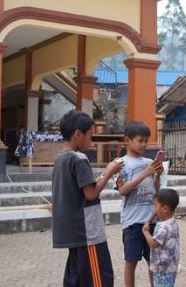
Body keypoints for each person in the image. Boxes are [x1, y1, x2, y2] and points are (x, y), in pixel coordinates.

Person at [52, 109, 124, 287]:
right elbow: (91, 194)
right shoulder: (79, 159)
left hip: (71, 230)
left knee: (76, 277)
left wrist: (103, 173)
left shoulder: (60, 158)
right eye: (89, 136)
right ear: (77, 134)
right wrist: (109, 173)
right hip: (86, 231)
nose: (91, 141)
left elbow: (86, 187)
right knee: (98, 278)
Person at [116, 121, 164, 287]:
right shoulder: (120, 164)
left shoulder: (148, 161)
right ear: (127, 140)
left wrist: (157, 175)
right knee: (131, 261)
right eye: (140, 140)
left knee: (153, 261)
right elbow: (122, 191)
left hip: (151, 220)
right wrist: (145, 173)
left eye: (146, 140)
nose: (144, 144)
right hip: (132, 222)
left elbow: (156, 190)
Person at [142, 188, 180, 287]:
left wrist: (146, 232)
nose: (154, 209)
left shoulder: (164, 227)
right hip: (171, 267)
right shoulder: (172, 222)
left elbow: (154, 244)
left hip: (162, 268)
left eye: (155, 205)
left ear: (165, 209)